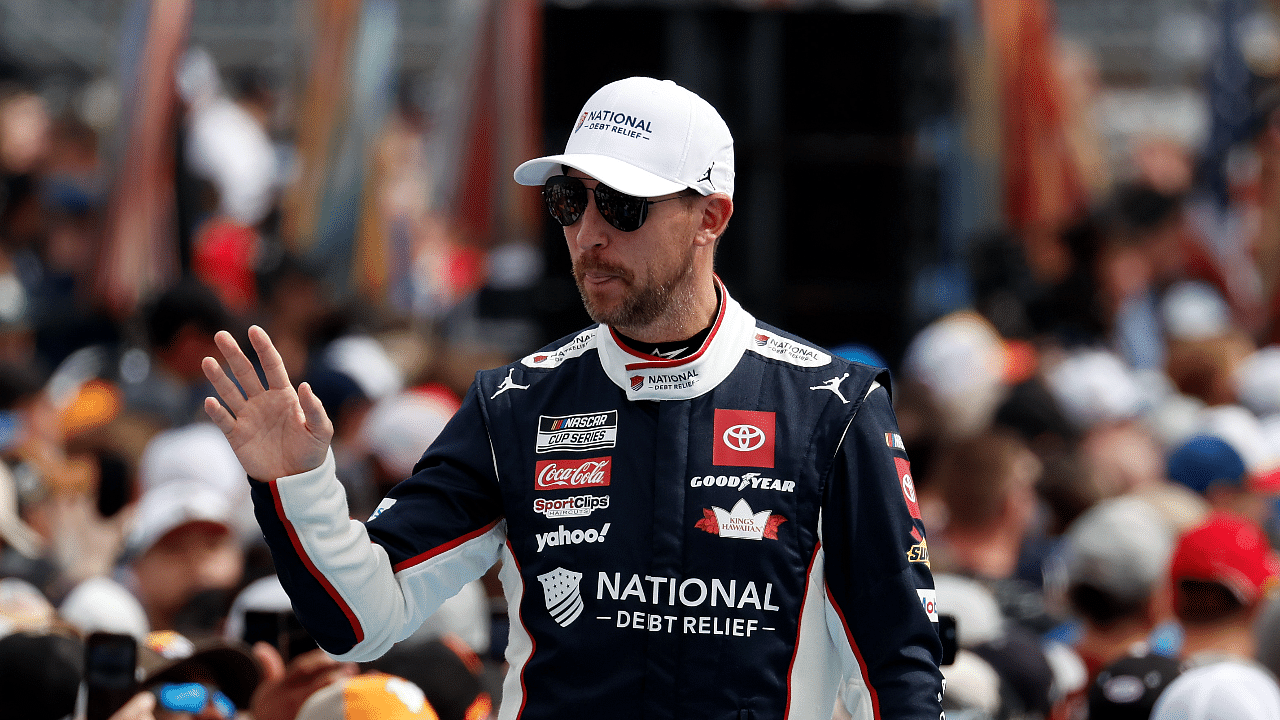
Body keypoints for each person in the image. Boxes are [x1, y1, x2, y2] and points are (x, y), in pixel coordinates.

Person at [202, 76, 943, 719]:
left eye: (621, 206)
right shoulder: (517, 404)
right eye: (568, 200)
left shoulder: (829, 408)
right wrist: (297, 483)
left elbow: (897, 668)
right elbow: (357, 618)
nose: (587, 234)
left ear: (710, 218)